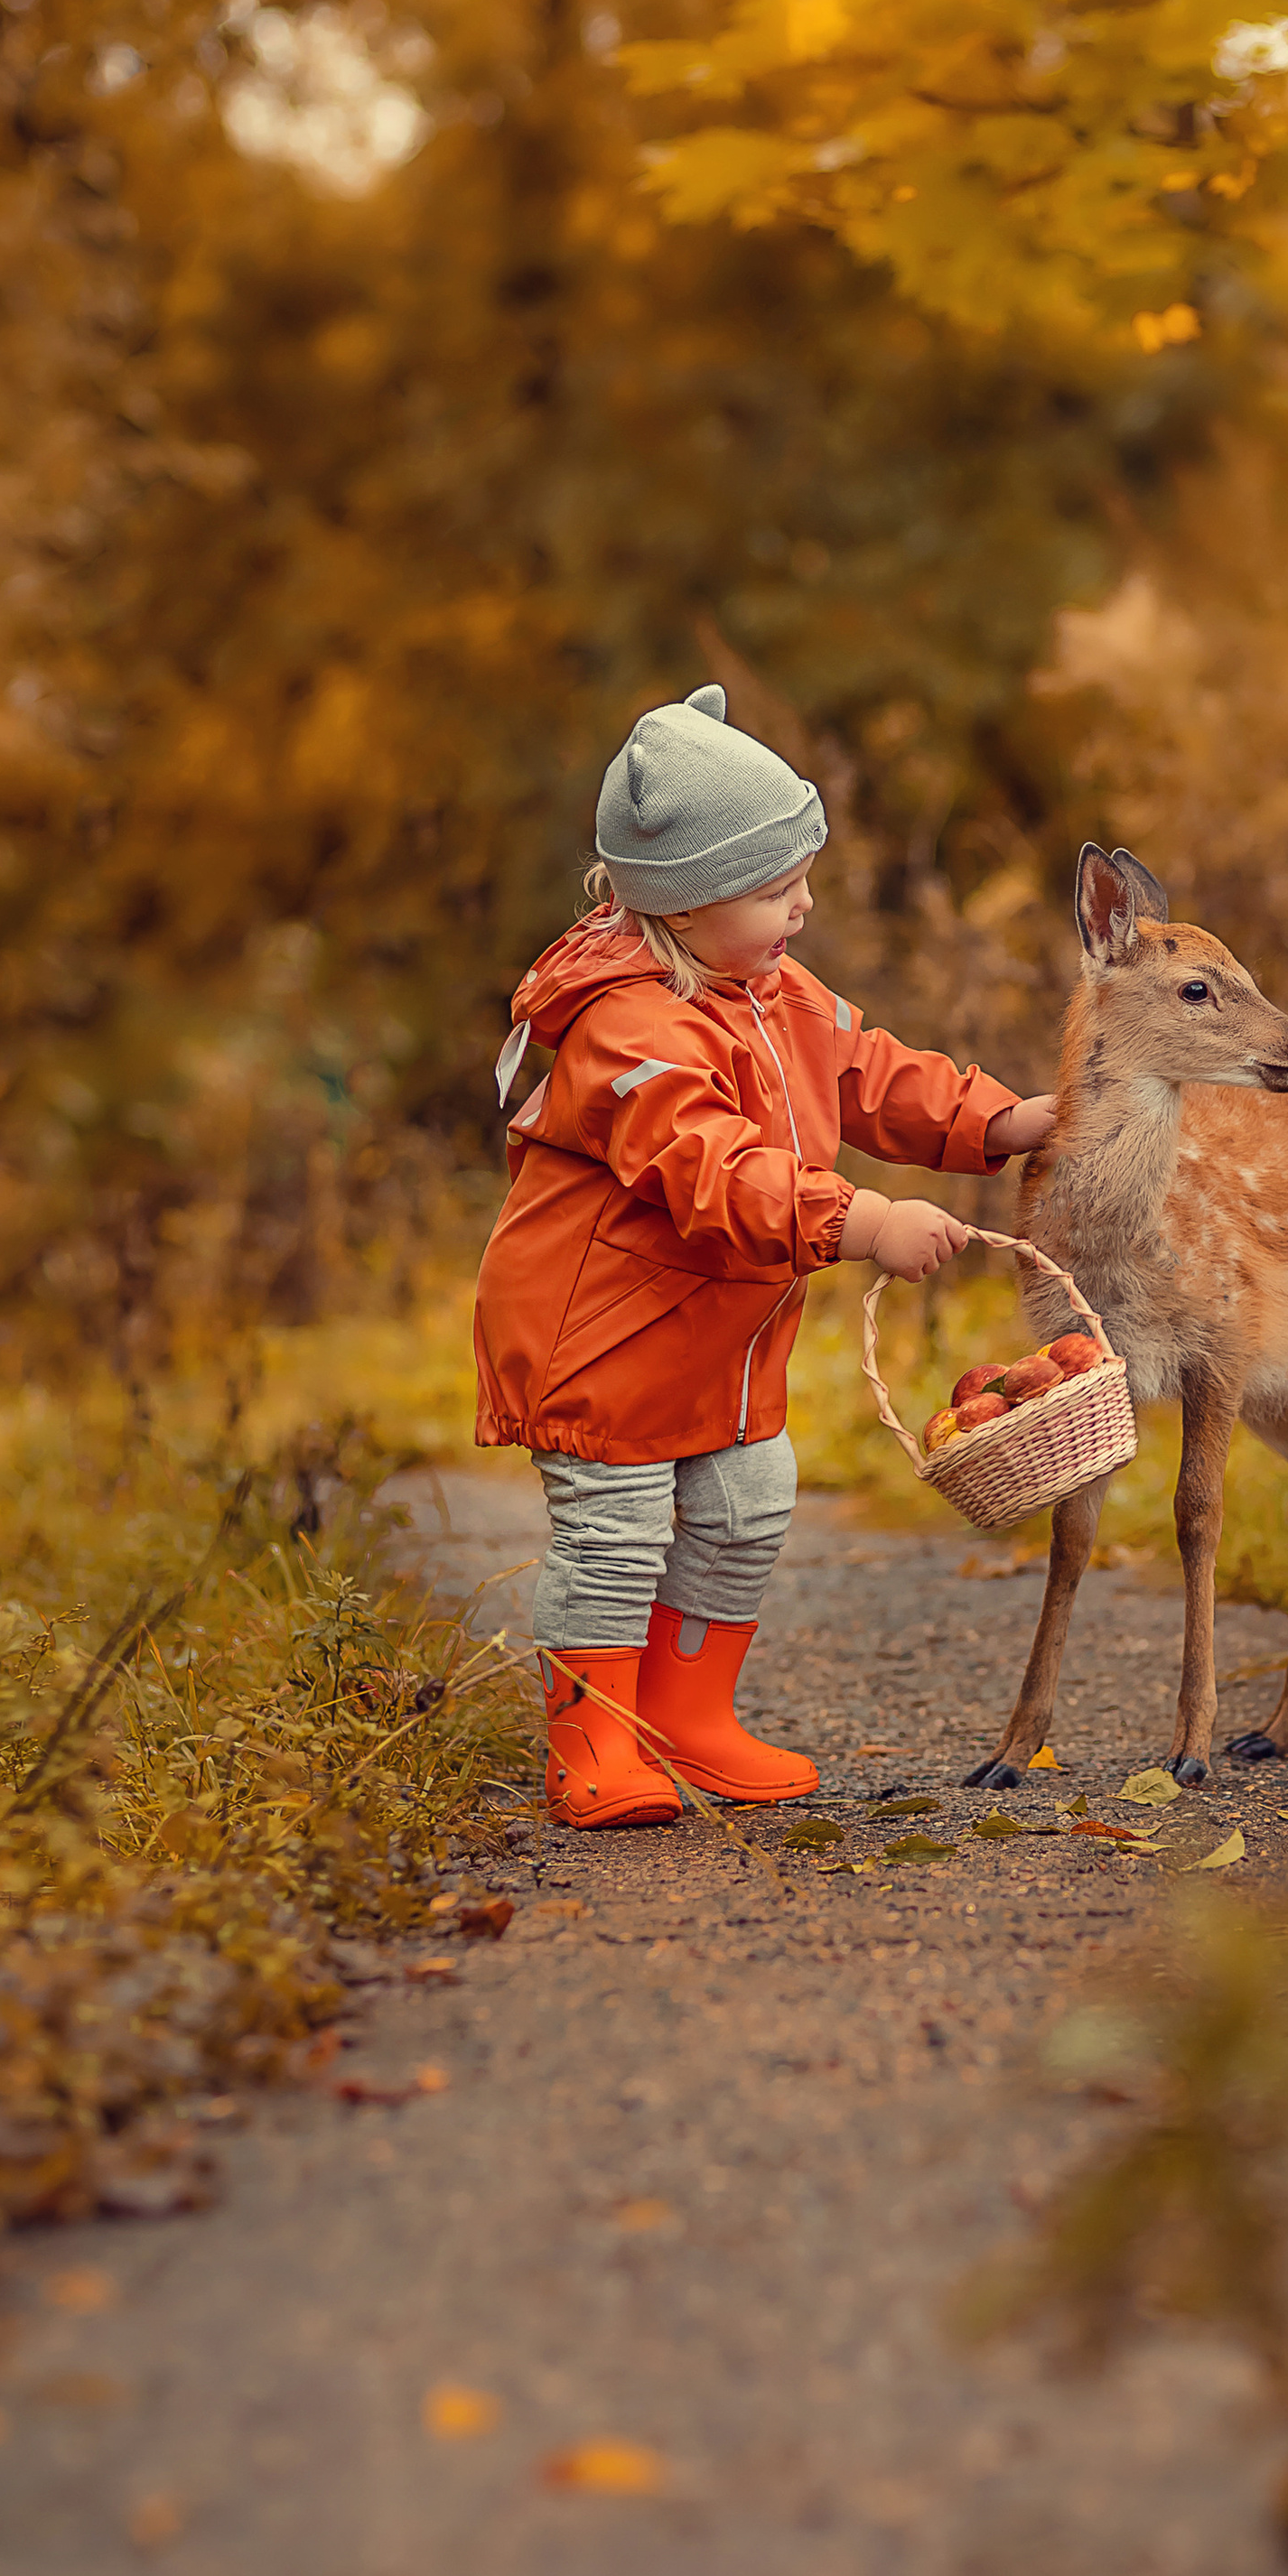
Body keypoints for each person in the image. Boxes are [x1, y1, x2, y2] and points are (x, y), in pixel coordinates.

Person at [473, 684, 1056, 1824]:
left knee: (748, 1504)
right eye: (775, 888)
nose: (803, 907)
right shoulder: (627, 1031)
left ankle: (690, 1718)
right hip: (599, 1339)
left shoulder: (773, 990)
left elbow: (873, 1073)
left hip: (716, 1343)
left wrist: (996, 1122)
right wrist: (861, 1220)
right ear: (682, 909)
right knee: (617, 1533)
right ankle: (594, 1741)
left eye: (802, 880)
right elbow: (707, 1170)